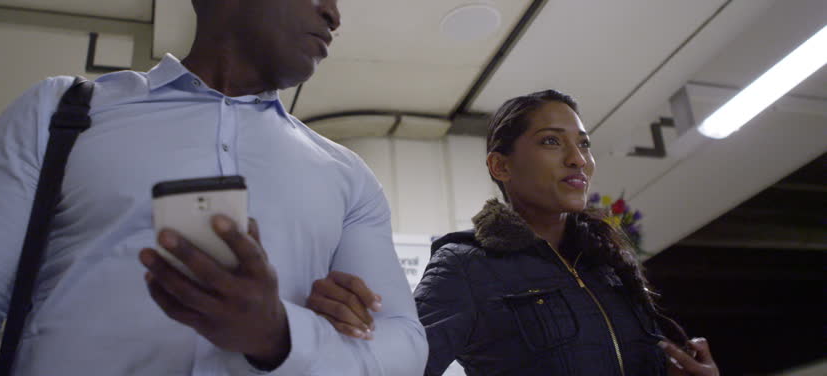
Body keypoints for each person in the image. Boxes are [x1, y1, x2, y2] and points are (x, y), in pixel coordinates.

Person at [0, 0, 427, 375]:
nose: (333, 15)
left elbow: (404, 343)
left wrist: (279, 335)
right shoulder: (61, 112)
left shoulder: (349, 175)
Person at [307, 90, 720, 375]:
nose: (578, 159)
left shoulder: (607, 265)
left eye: (584, 143)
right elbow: (393, 367)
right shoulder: (467, 266)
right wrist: (337, 330)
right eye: (551, 142)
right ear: (501, 166)